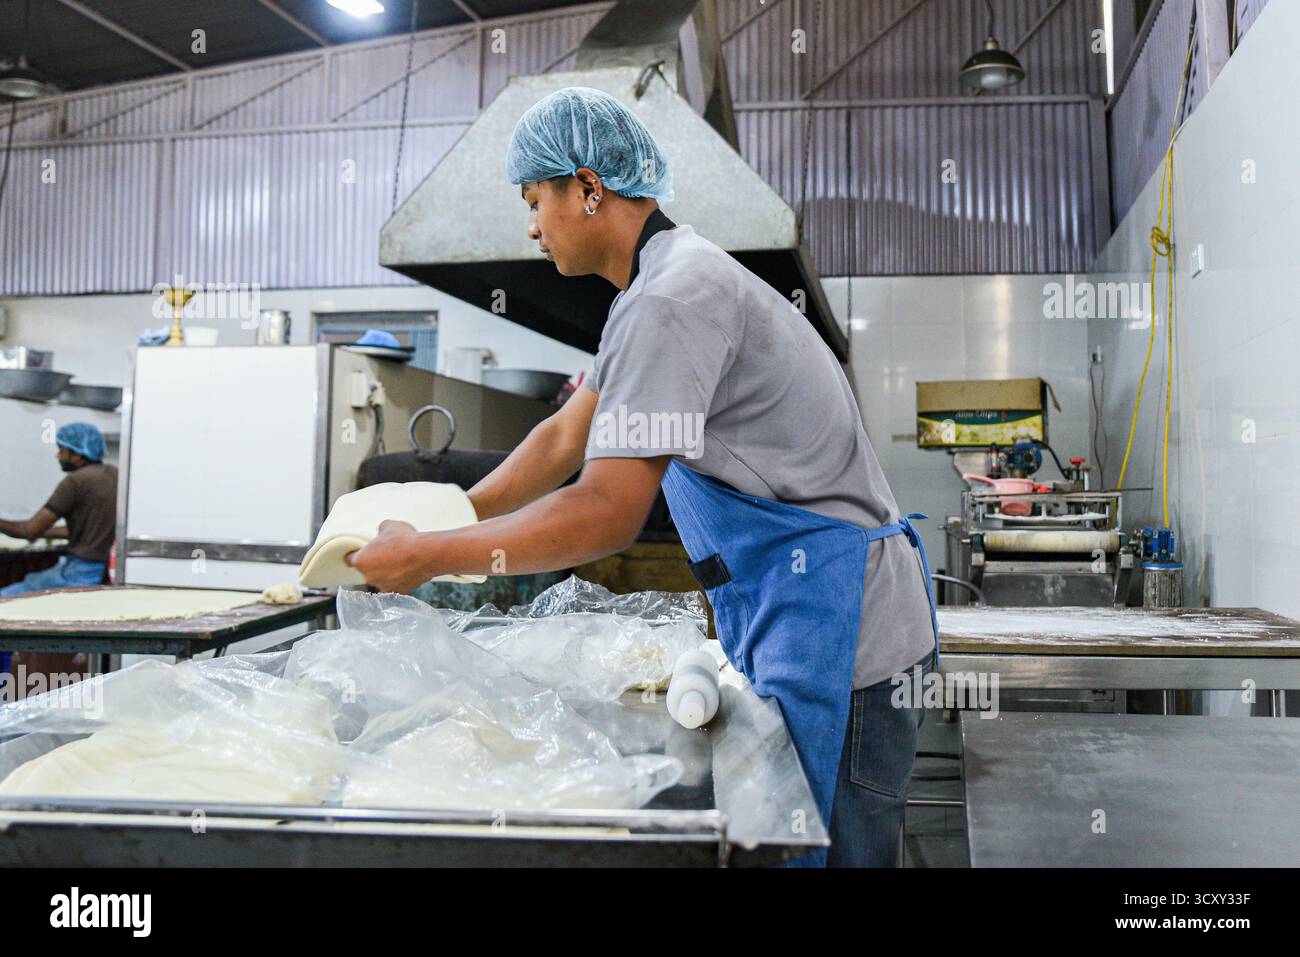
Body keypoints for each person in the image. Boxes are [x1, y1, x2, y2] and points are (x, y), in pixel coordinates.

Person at [349, 87, 938, 867]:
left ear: (588, 187)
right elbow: (566, 434)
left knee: (837, 858)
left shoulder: (672, 298)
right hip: (809, 611)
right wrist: (443, 513)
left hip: (845, 634)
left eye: (535, 199)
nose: (530, 226)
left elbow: (605, 509)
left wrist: (428, 558)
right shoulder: (653, 291)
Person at [0, 423, 117, 596]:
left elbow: (28, 530)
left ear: (77, 455)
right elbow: (88, 530)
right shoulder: (114, 474)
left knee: (6, 599)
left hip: (79, 571)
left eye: (62, 450)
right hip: (102, 569)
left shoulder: (76, 481)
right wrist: (43, 532)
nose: (58, 455)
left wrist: (33, 530)